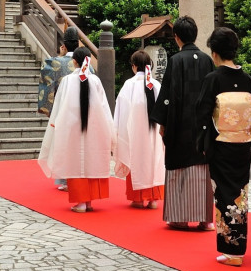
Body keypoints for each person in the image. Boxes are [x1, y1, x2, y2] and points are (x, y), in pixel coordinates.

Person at [195, 27, 251, 266]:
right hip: (242, 146)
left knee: (223, 195)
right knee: (239, 195)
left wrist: (203, 143)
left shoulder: (213, 79)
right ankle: (238, 248)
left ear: (214, 53)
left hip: (221, 146)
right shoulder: (247, 79)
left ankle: (231, 252)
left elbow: (202, 114)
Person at [150, 15, 216, 231]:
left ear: (176, 37)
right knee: (202, 169)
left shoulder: (176, 60)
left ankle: (180, 217)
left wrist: (162, 123)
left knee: (180, 167)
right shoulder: (207, 60)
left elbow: (168, 94)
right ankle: (205, 219)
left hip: (180, 124)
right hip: (203, 126)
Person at [38, 47, 115, 213]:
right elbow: (104, 108)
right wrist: (109, 129)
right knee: (91, 161)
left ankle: (80, 202)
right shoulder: (95, 81)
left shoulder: (67, 81)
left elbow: (59, 107)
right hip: (94, 130)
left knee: (75, 162)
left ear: (74, 61)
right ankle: (88, 202)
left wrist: (55, 125)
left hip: (72, 130)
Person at [114, 50, 165, 209]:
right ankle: (153, 199)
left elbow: (121, 113)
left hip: (134, 134)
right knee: (154, 160)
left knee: (135, 160)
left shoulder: (129, 85)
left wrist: (118, 133)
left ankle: (138, 198)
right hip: (154, 134)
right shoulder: (156, 85)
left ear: (134, 66)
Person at [37, 26, 81, 191]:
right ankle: (77, 177)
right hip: (82, 111)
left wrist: (48, 110)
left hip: (62, 110)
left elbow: (46, 86)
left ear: (64, 45)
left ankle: (65, 179)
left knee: (62, 144)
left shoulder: (55, 62)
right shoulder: (87, 66)